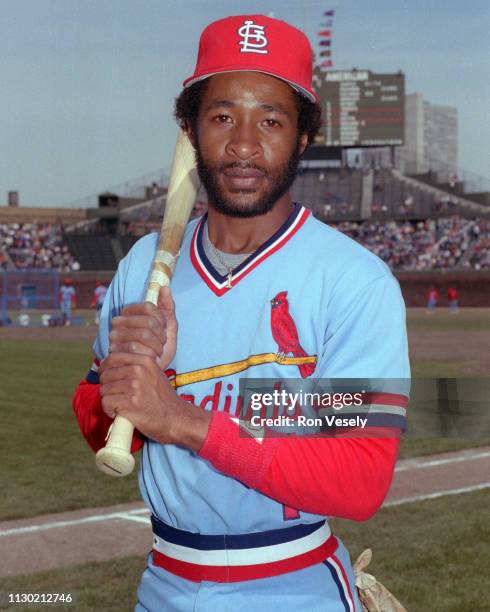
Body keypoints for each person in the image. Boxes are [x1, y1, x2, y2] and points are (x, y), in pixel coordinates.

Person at [73, 15, 409, 611]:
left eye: (272, 121)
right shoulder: (146, 268)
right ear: (189, 130)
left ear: (304, 137)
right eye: (223, 116)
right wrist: (137, 383)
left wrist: (180, 417)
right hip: (163, 584)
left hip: (295, 582)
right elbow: (104, 427)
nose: (244, 144)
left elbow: (358, 479)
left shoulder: (353, 280)